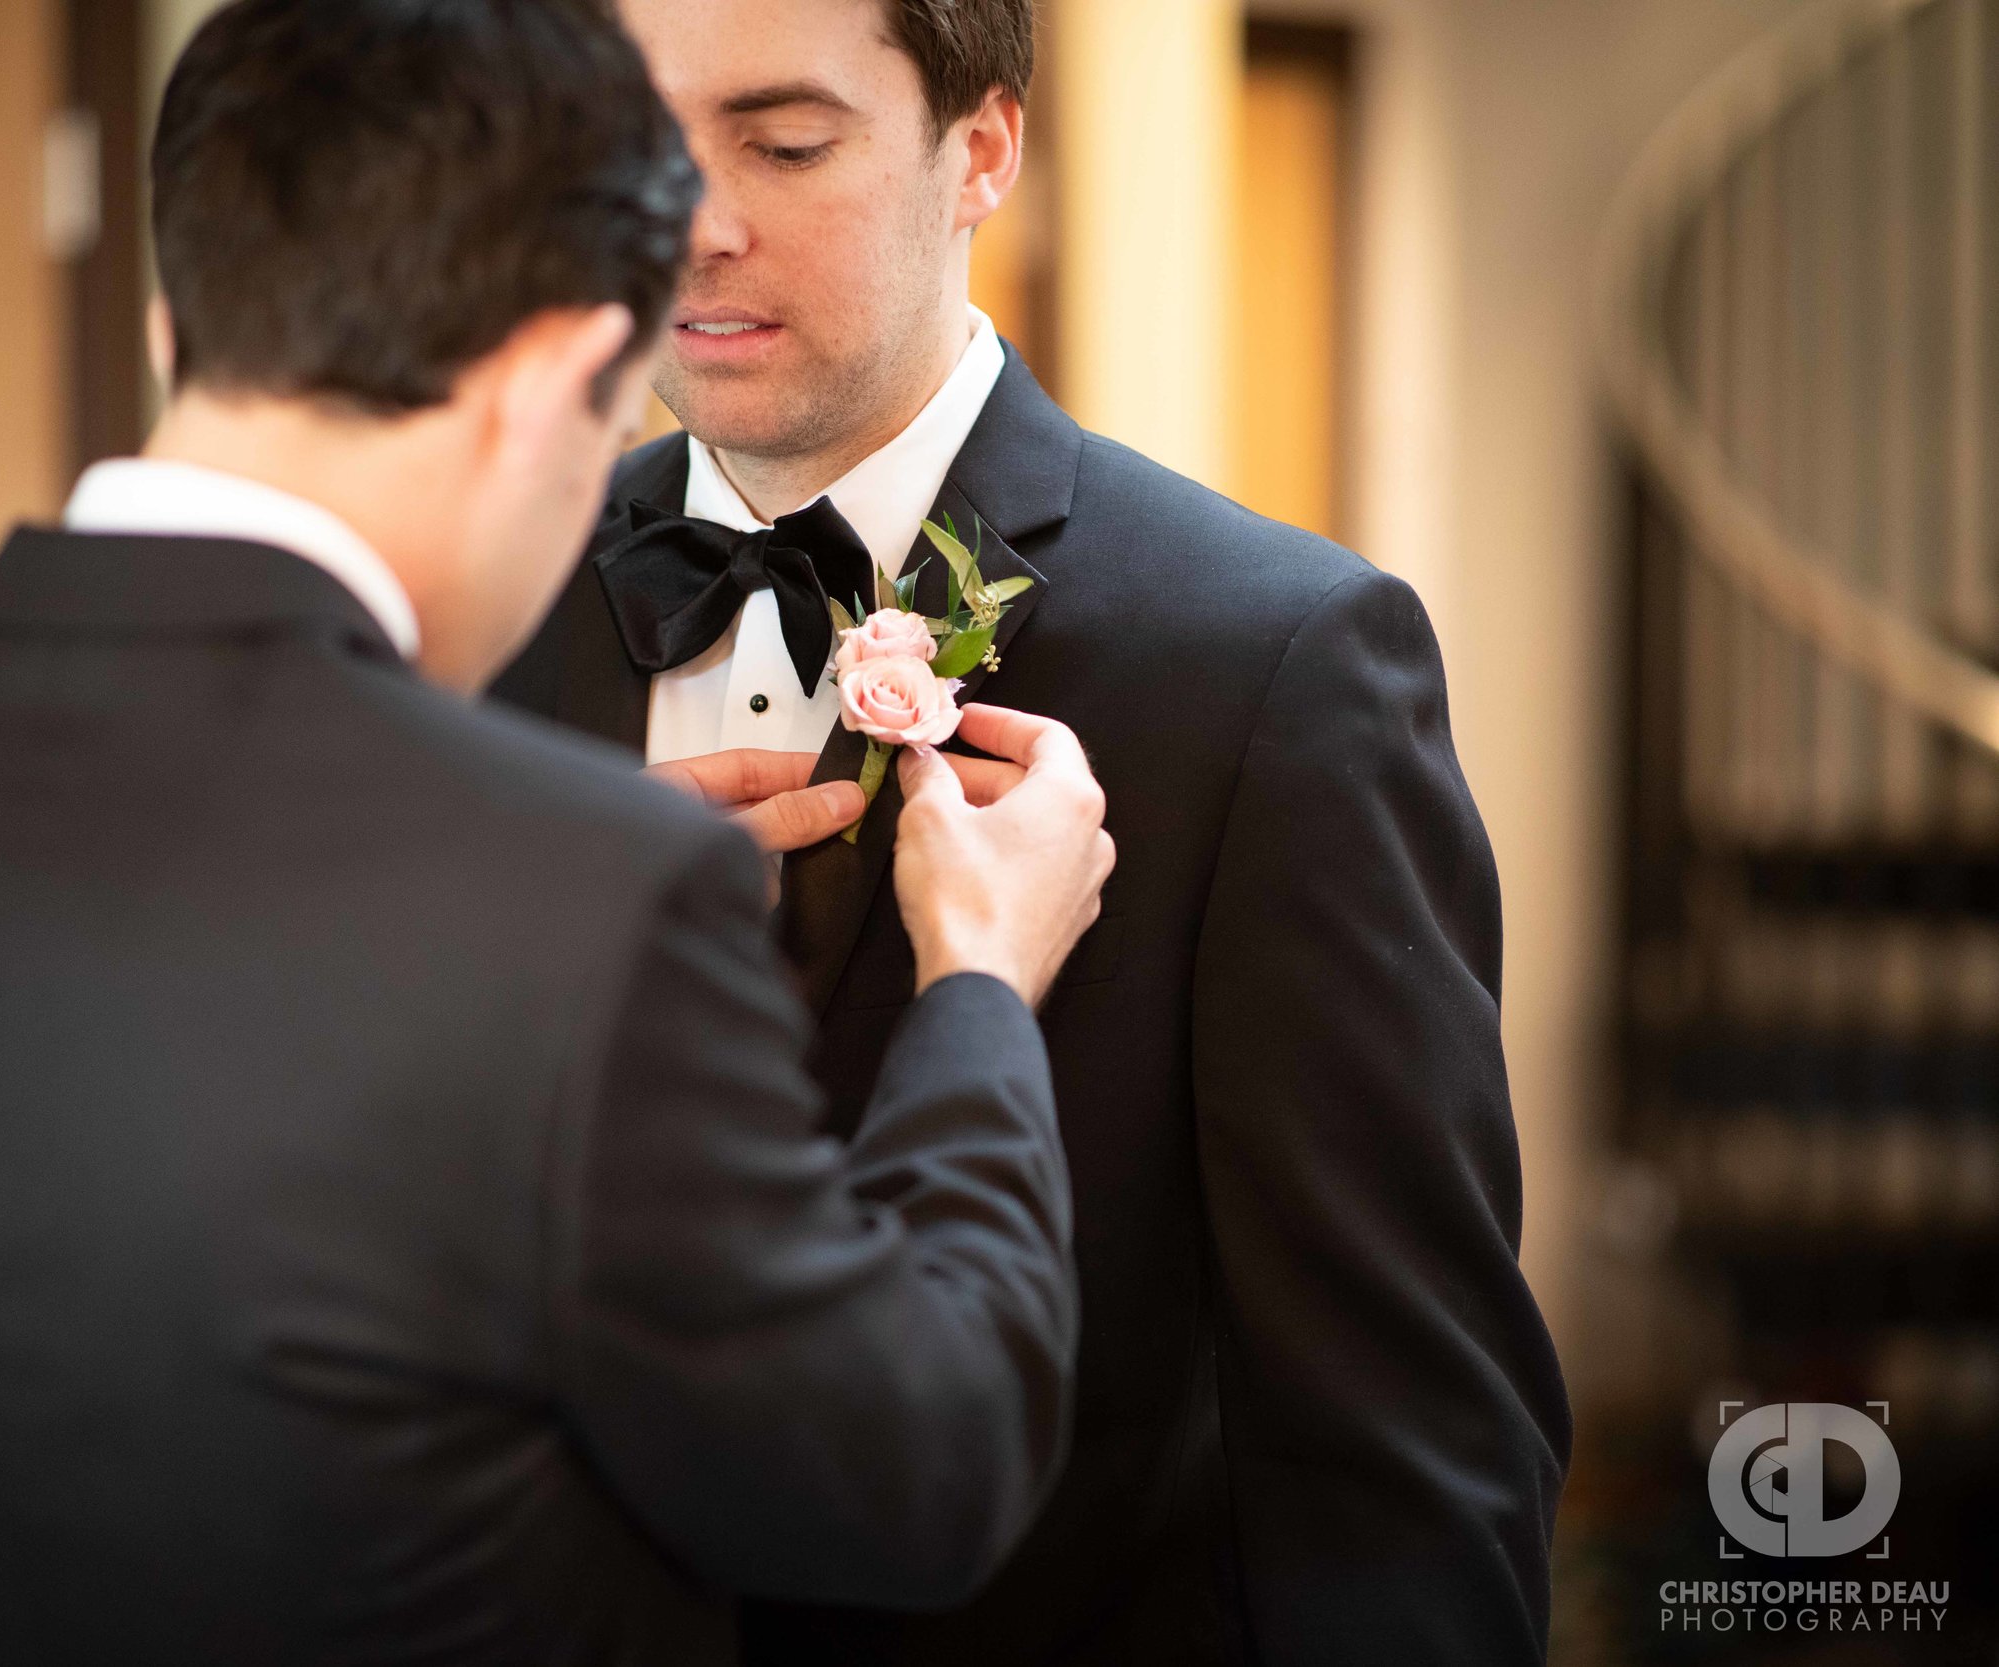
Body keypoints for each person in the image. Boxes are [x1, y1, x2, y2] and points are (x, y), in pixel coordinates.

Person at [0, 3, 1117, 1663]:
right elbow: (918, 1481)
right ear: (563, 378)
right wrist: (978, 983)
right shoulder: (572, 903)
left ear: (169, 319)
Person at [491, 1, 1574, 1662]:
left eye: (785, 144)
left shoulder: (1277, 664)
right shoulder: (477, 606)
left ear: (982, 148)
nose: (688, 220)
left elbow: (1401, 1465)